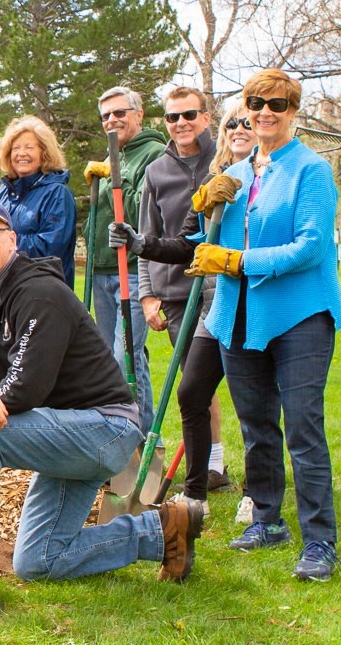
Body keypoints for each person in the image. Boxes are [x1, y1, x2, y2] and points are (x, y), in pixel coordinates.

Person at [0, 200, 203, 617]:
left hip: (104, 428)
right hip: (67, 429)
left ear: (12, 240)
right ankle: (161, 530)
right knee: (39, 560)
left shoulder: (40, 292)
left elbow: (28, 386)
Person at [188, 69, 341, 582]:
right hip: (237, 316)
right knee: (256, 425)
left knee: (302, 427)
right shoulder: (237, 173)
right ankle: (267, 520)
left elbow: (310, 247)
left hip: (300, 315)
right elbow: (209, 242)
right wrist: (204, 209)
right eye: (256, 103)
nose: (265, 112)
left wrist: (238, 262)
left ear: (293, 111)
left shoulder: (311, 170)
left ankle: (319, 540)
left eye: (277, 104)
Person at [111, 99, 255, 515]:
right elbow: (182, 240)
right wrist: (142, 253)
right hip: (192, 296)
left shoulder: (256, 170)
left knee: (251, 395)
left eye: (189, 114)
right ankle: (198, 489)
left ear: (206, 119)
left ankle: (253, 491)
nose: (180, 122)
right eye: (172, 116)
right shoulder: (179, 172)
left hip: (248, 295)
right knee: (193, 390)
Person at [84, 86, 166, 436]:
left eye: (120, 113)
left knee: (125, 357)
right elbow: (98, 221)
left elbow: (141, 212)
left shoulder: (154, 154)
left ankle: (138, 437)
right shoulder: (112, 154)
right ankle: (126, 431)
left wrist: (115, 178)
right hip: (103, 270)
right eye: (105, 116)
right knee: (110, 359)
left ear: (139, 114)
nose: (112, 120)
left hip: (133, 270)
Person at [0, 115, 77, 282]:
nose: (21, 153)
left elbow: (50, 248)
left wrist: (3, 241)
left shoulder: (58, 193)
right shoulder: (4, 192)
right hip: (5, 285)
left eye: (29, 147)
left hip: (42, 287)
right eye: (15, 148)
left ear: (44, 153)